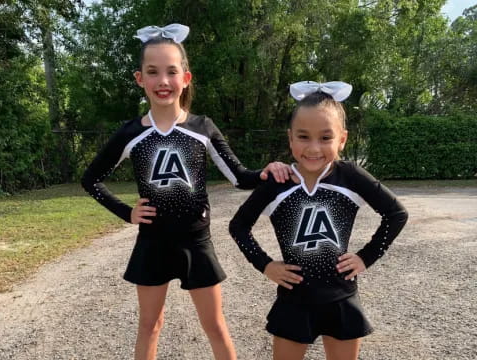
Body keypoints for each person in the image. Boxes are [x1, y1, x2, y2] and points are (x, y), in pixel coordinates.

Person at [81, 24, 290, 360]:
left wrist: (267, 172)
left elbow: (239, 178)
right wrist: (127, 212)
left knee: (216, 325)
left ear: (186, 78)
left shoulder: (202, 128)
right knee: (150, 325)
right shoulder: (131, 133)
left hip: (196, 240)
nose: (163, 81)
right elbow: (91, 179)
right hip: (152, 242)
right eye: (153, 72)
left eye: (171, 72)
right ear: (140, 79)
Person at [229, 81, 408, 360]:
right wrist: (265, 265)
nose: (313, 148)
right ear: (290, 138)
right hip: (294, 299)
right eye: (303, 137)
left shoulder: (350, 176)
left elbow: (396, 214)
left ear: (342, 139)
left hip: (341, 297)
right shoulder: (279, 182)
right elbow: (238, 226)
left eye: (325, 138)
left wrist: (366, 257)